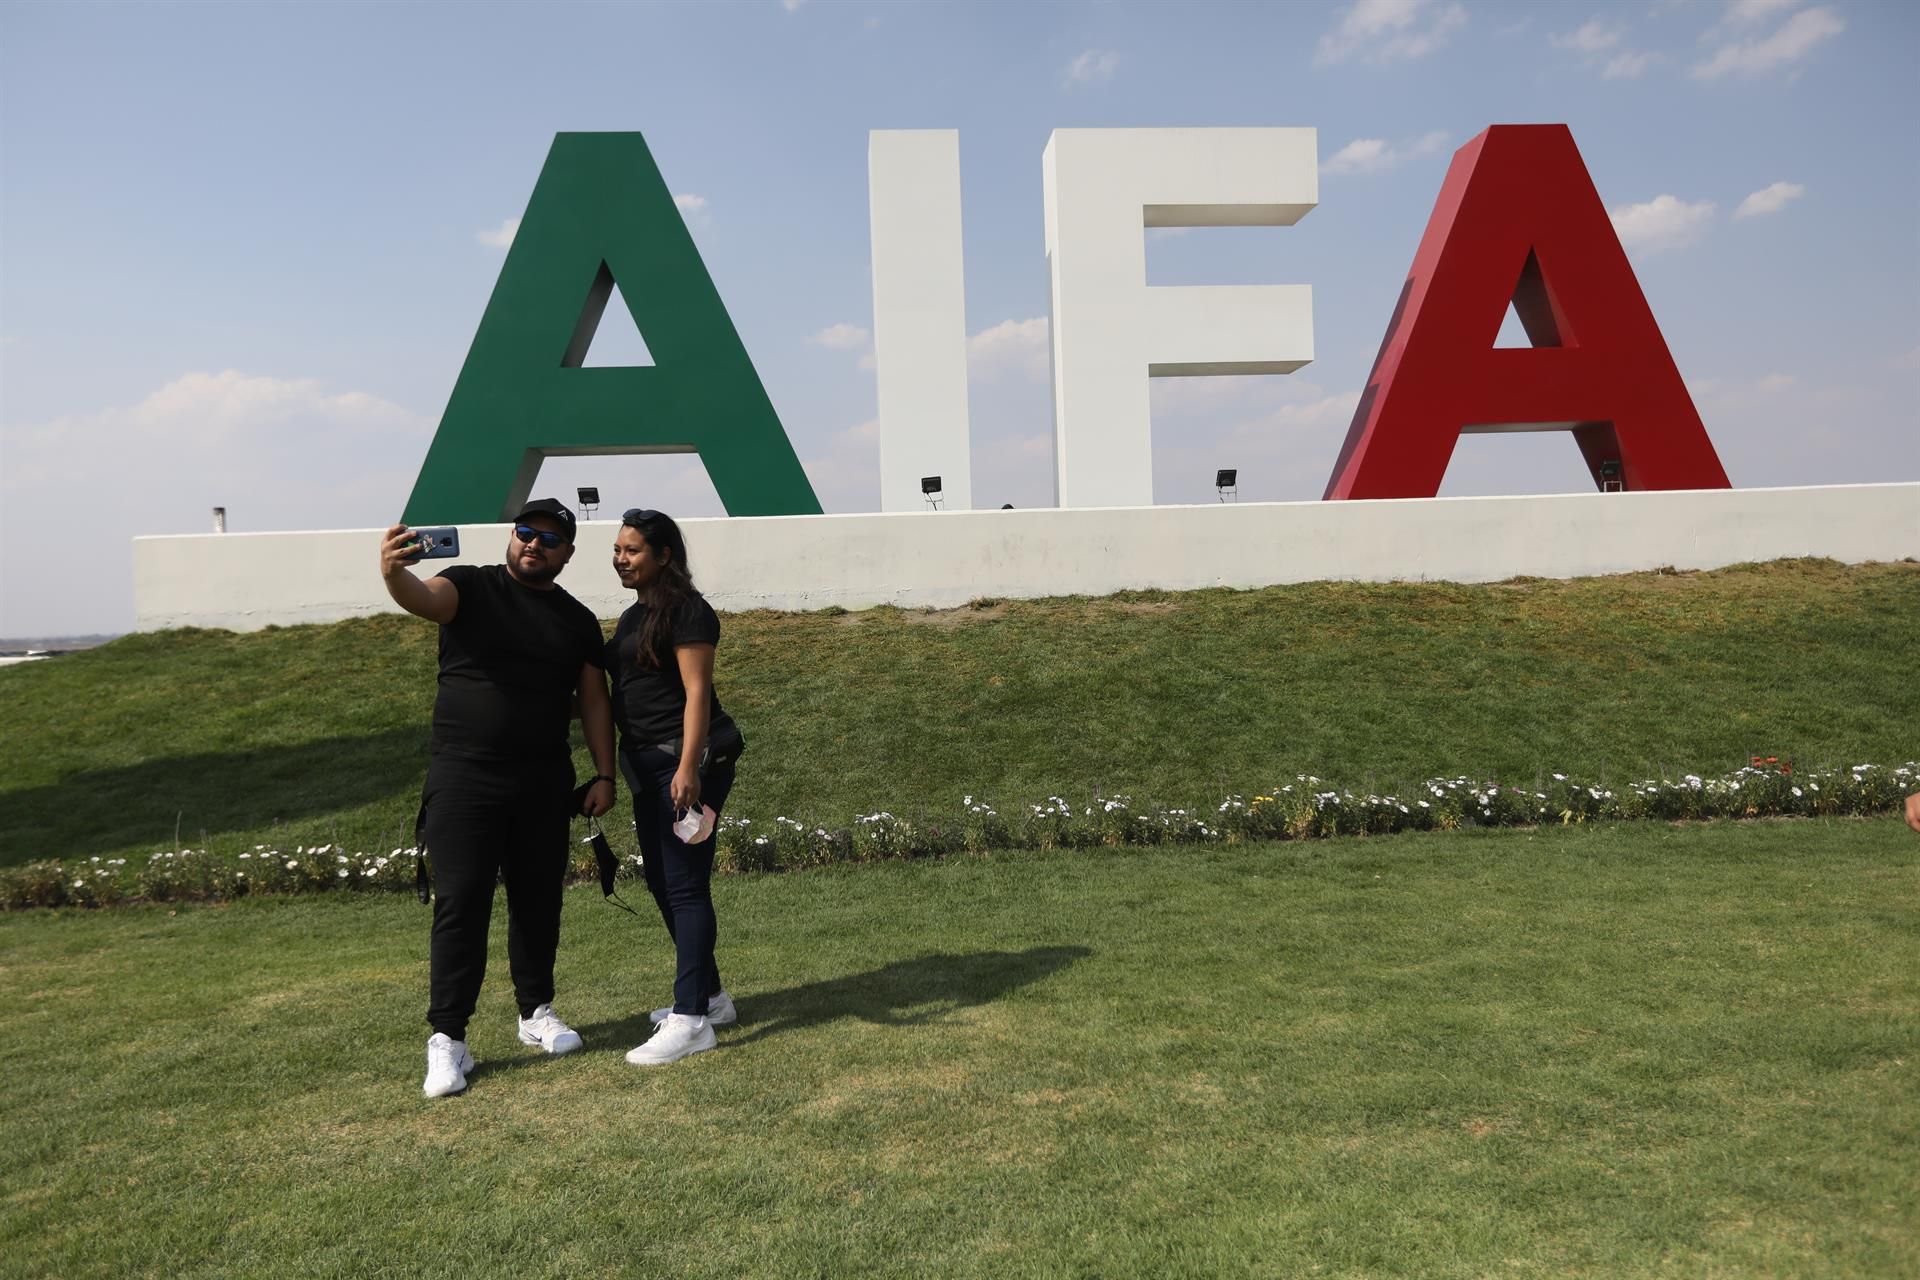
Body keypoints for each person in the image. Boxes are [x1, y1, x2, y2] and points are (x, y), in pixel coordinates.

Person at [378, 498, 617, 1098]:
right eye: (526, 532)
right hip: (464, 778)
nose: (535, 544)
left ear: (567, 552)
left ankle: (535, 1012)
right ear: (512, 536)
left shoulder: (577, 620)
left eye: (550, 539)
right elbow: (421, 598)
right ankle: (448, 1039)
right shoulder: (469, 586)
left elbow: (594, 700)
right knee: (462, 903)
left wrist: (605, 774)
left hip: (542, 780)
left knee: (539, 901)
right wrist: (392, 572)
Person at [606, 508, 745, 1065]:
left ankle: (690, 1021)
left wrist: (689, 767)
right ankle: (711, 999)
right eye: (617, 550)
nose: (621, 559)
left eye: (632, 550)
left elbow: (697, 693)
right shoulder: (631, 617)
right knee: (664, 883)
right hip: (647, 767)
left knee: (685, 886)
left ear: (664, 555)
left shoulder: (688, 610)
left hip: (686, 764)